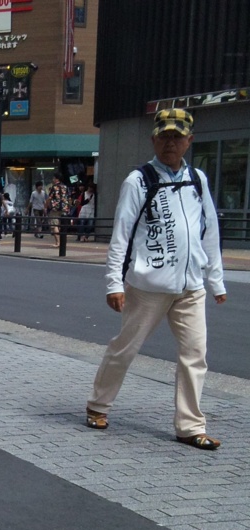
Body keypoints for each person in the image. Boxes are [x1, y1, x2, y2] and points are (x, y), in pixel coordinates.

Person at [86, 108, 226, 450]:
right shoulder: (139, 180)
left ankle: (190, 426)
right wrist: (114, 283)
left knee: (195, 354)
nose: (170, 143)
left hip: (190, 287)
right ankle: (98, 405)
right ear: (153, 139)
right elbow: (121, 234)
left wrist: (216, 281)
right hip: (148, 285)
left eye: (177, 137)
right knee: (125, 347)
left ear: (189, 141)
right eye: (164, 136)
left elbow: (209, 231)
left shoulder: (198, 179)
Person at [47, 173, 70, 248]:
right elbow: (68, 197)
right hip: (64, 208)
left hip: (55, 208)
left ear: (57, 179)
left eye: (54, 178)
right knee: (63, 225)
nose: (53, 180)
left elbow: (49, 198)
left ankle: (58, 242)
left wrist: (46, 206)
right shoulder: (65, 187)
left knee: (54, 225)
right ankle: (63, 242)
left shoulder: (54, 187)